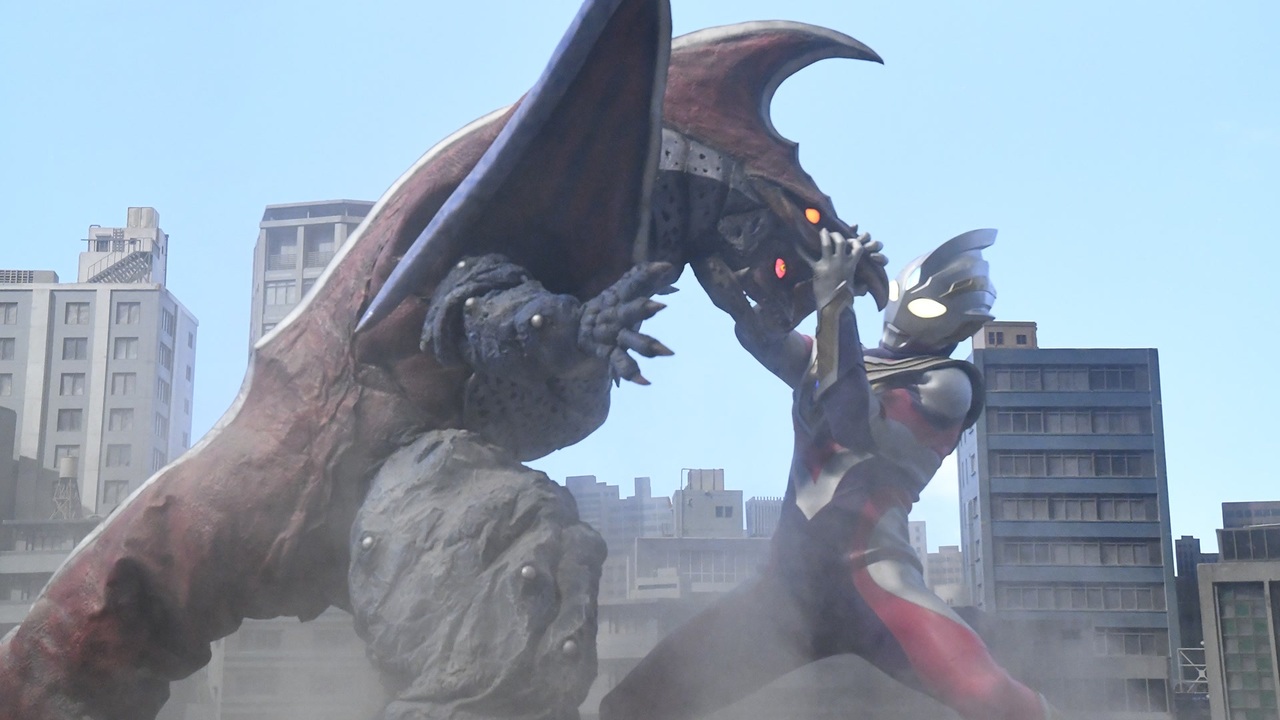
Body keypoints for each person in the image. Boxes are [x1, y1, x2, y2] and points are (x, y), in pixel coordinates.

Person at [601, 228, 1065, 720]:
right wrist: (750, 262)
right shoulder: (832, 351)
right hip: (786, 588)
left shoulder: (946, 385)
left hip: (874, 582)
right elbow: (757, 332)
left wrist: (836, 301)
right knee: (635, 704)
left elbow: (851, 421)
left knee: (990, 696)